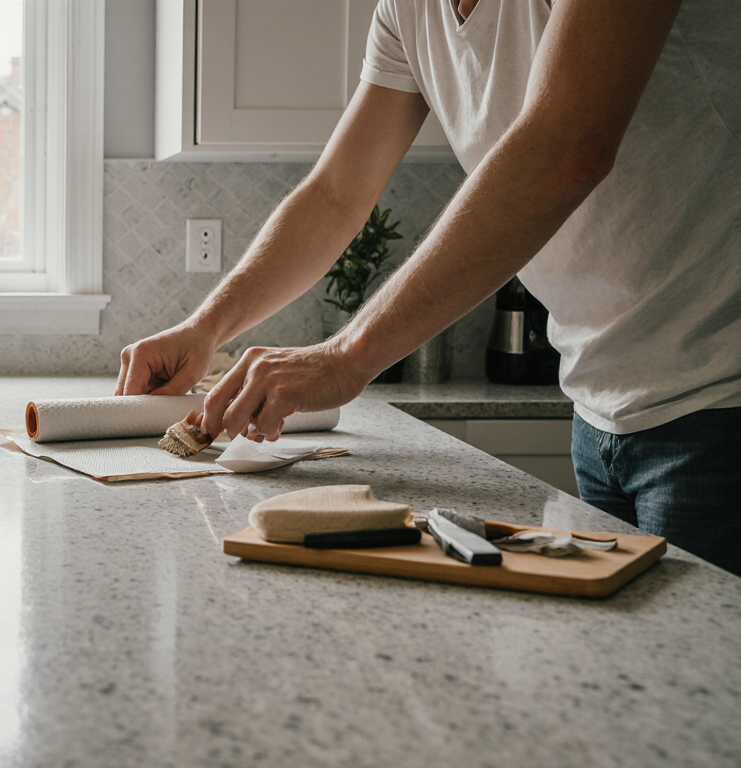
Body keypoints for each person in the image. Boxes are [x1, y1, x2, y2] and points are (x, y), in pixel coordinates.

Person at [115, 0, 741, 575]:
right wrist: (206, 327)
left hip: (720, 396)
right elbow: (337, 194)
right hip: (600, 406)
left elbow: (567, 146)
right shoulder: (407, 9)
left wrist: (344, 355)